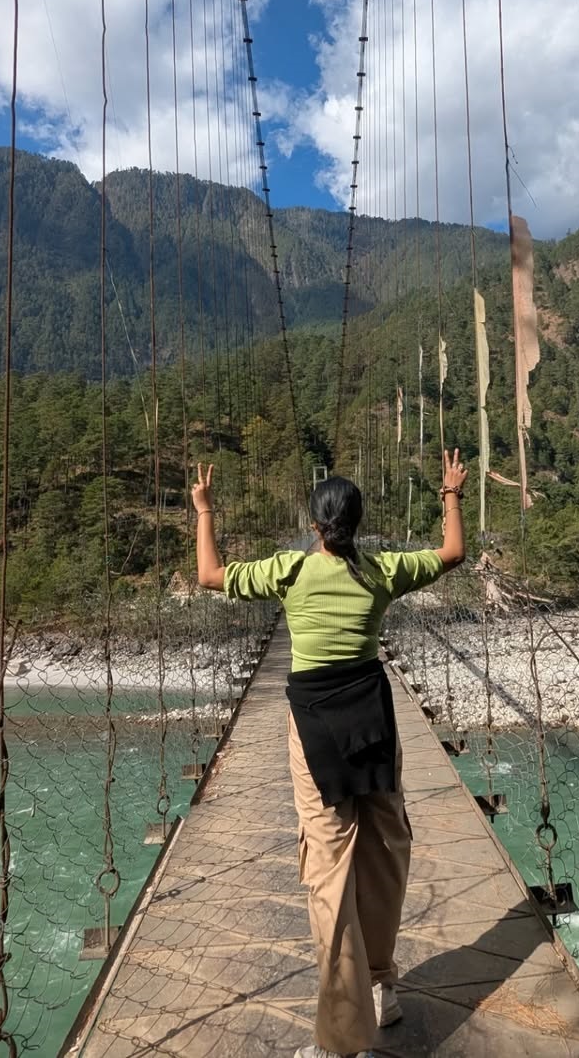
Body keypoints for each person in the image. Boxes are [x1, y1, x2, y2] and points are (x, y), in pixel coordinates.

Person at [193, 451, 469, 1058]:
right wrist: (450, 493)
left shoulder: (290, 571)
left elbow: (209, 575)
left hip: (315, 727)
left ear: (314, 525)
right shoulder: (382, 570)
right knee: (386, 848)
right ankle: (380, 985)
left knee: (329, 865)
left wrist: (205, 509)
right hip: (373, 717)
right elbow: (452, 554)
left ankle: (344, 1037)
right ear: (358, 524)